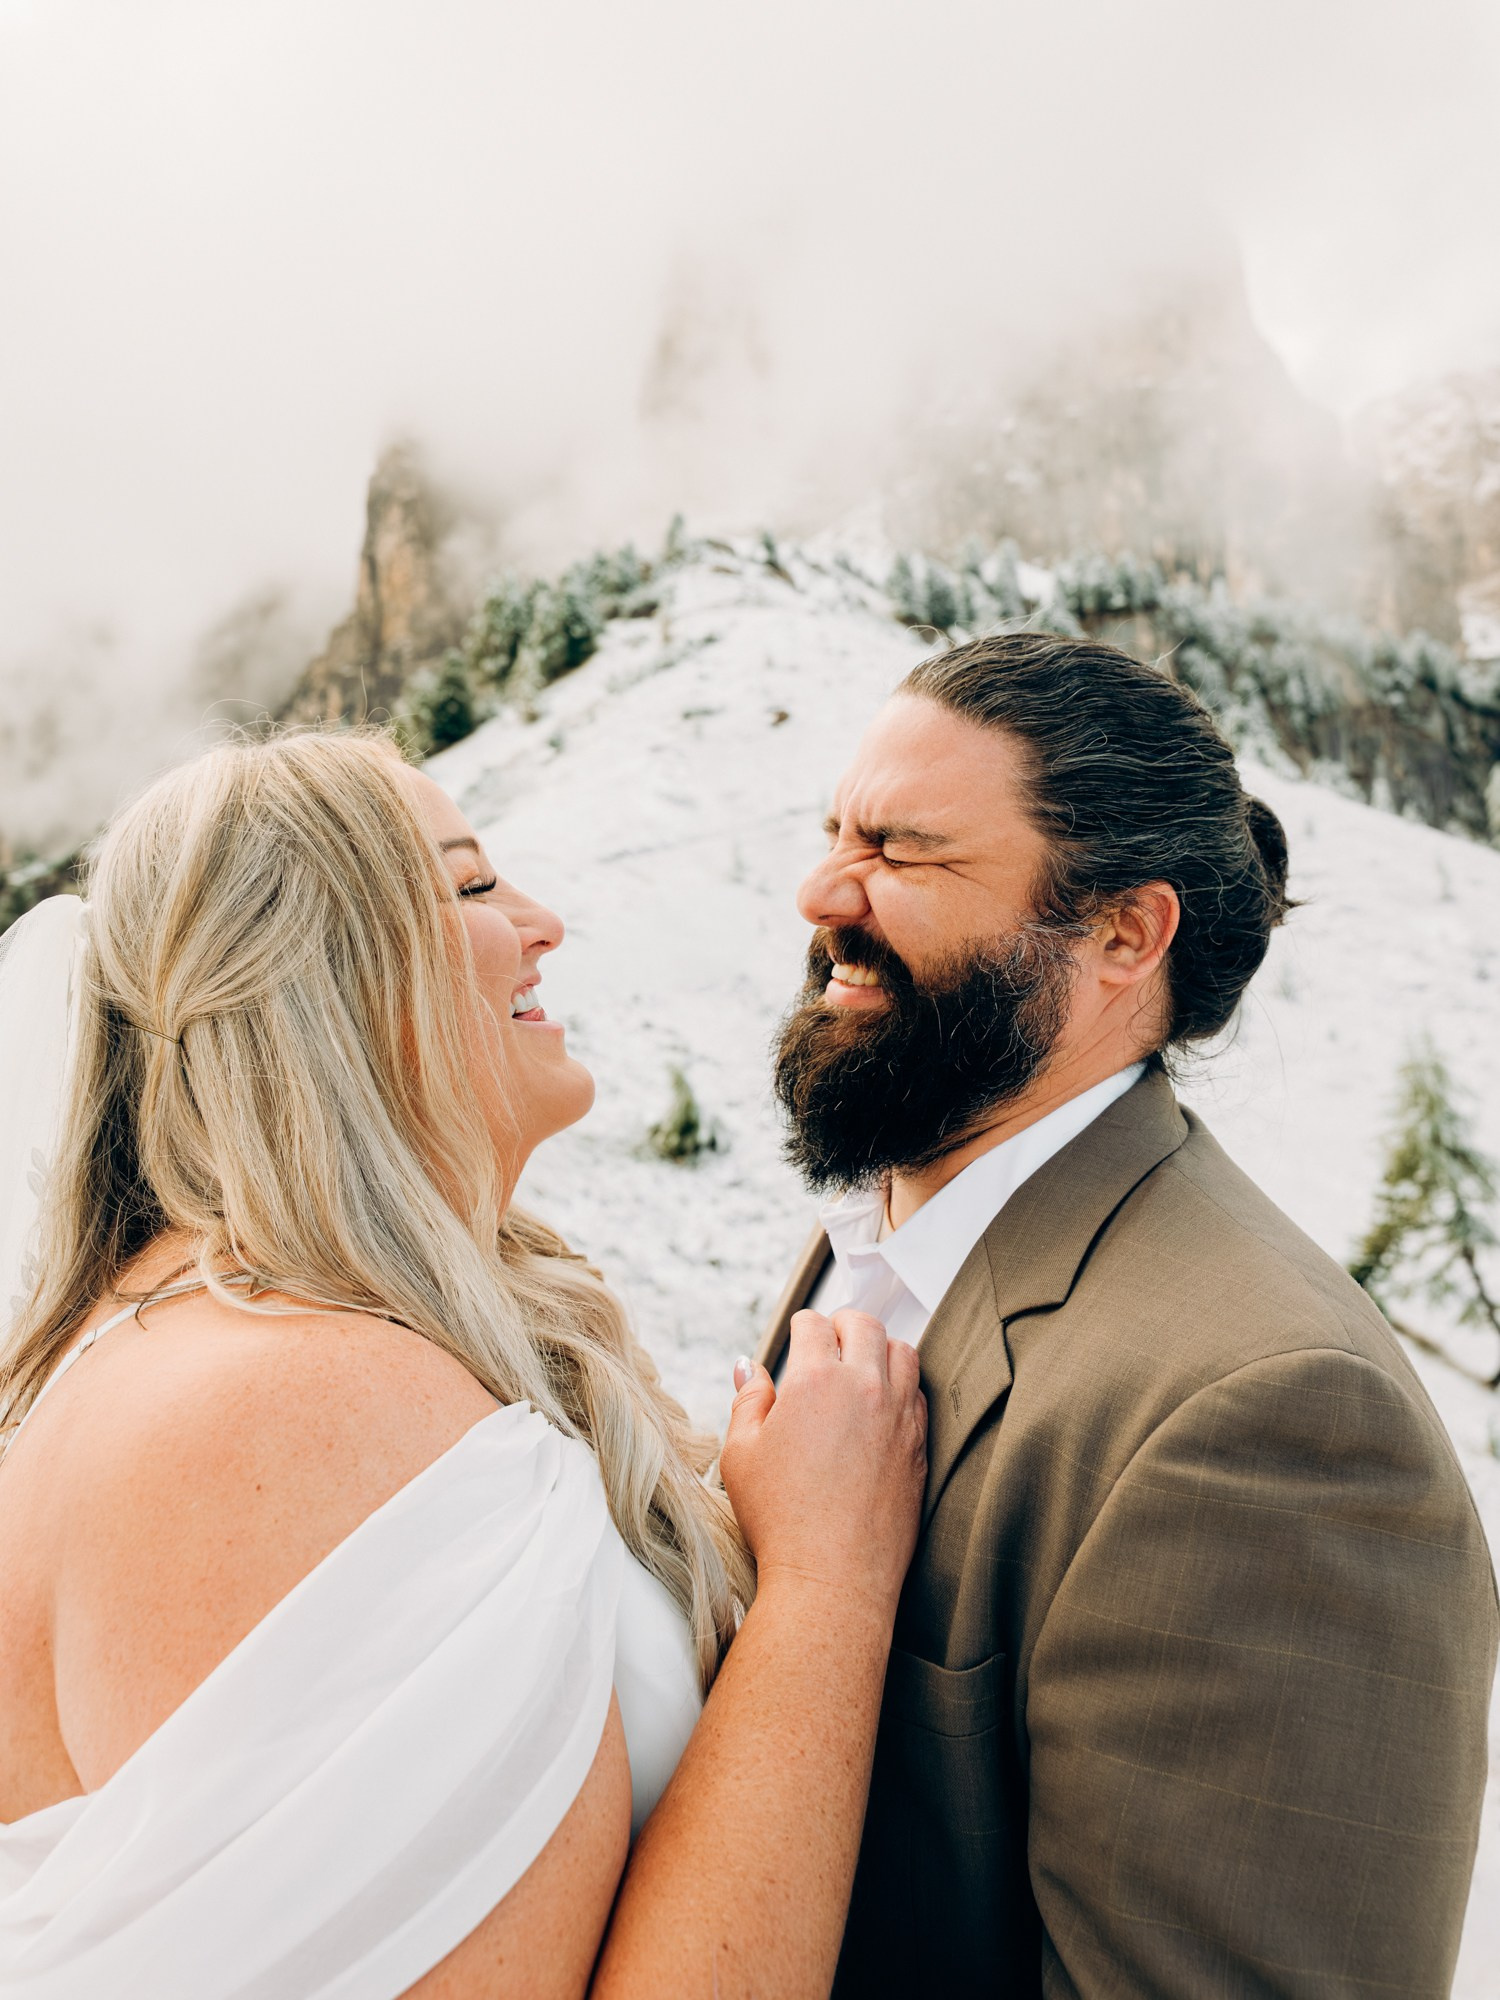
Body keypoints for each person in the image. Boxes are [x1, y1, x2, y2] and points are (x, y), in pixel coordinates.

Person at [0, 729, 927, 2000]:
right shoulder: (303, 1400)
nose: (544, 923)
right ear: (326, 974)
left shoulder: (187, 1333)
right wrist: (829, 1585)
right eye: (476, 884)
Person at [759, 632, 1499, 1998]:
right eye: (835, 834)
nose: (822, 890)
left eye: (903, 851)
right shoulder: (886, 1220)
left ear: (1122, 934)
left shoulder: (1277, 1422)